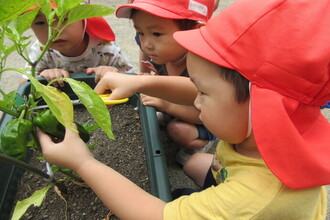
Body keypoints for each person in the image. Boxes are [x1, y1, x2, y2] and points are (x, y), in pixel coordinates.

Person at [37, 0, 330, 219]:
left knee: (172, 198)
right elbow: (196, 92)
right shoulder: (266, 127)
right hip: (229, 175)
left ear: (267, 109)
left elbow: (153, 215)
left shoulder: (256, 201)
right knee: (192, 163)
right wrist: (138, 82)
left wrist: (83, 162)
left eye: (202, 92)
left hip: (239, 204)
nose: (196, 100)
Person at [89, 0, 217, 166]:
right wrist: (145, 72)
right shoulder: (155, 48)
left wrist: (167, 106)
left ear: (195, 33)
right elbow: (143, 49)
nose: (147, 44)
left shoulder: (205, 67)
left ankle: (202, 143)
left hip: (202, 117)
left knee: (177, 131)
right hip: (175, 104)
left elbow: (204, 115)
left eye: (156, 34)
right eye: (141, 32)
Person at [20, 1, 134, 87]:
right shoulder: (41, 51)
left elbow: (133, 83)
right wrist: (42, 78)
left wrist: (115, 74)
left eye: (64, 19)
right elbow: (23, 88)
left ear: (83, 19)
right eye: (40, 22)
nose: (54, 31)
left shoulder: (106, 50)